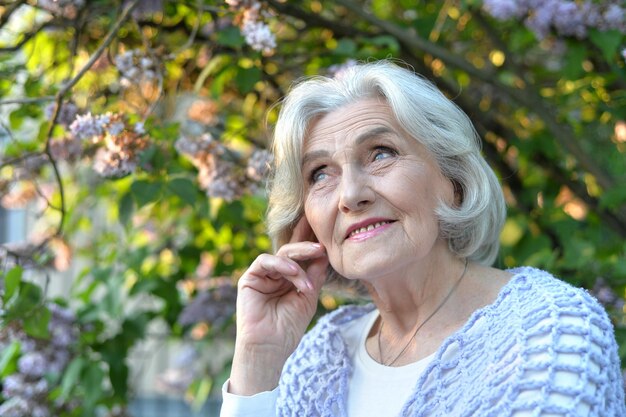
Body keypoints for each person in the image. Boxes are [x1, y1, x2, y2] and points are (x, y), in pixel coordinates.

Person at [219, 61, 625, 416]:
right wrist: (259, 359)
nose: (349, 195)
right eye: (320, 174)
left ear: (452, 179)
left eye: (380, 153)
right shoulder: (318, 359)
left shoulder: (552, 331)